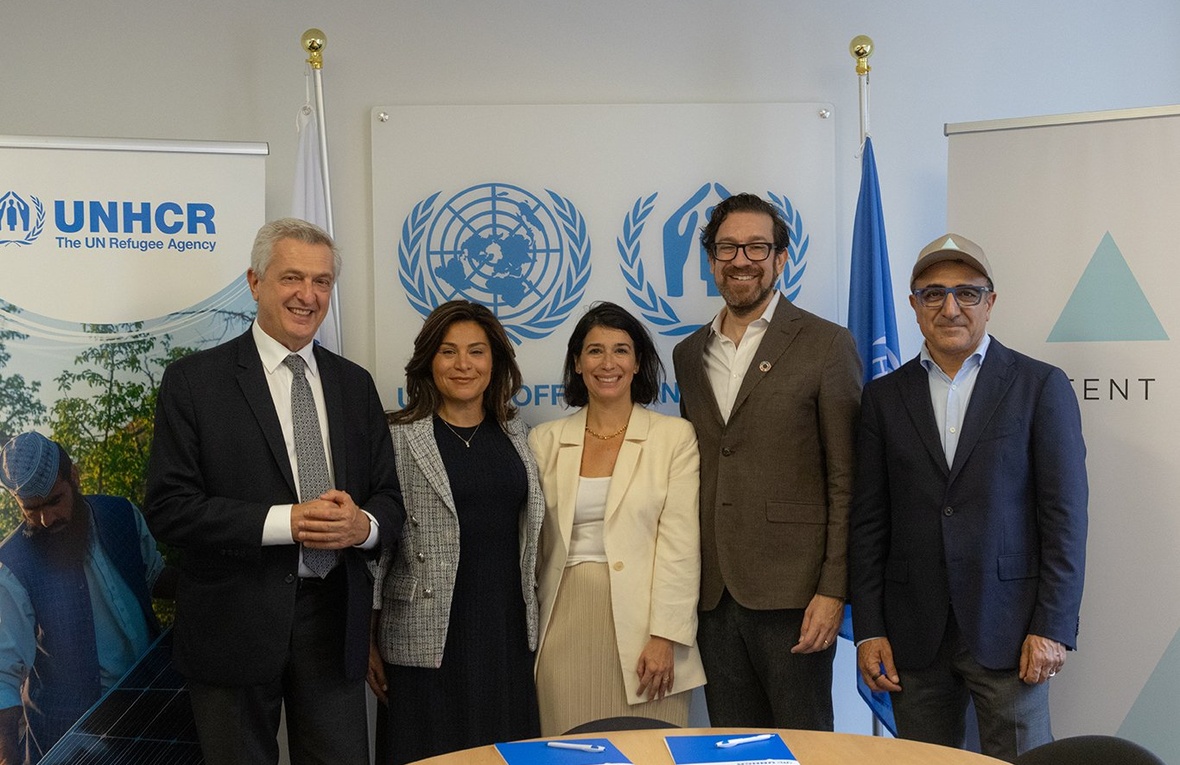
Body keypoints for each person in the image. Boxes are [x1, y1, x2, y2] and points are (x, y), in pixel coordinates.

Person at [144, 218, 403, 765]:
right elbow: (169, 510)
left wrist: (365, 528)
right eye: (292, 278)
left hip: (333, 626)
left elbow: (388, 498)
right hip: (231, 625)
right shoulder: (193, 383)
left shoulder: (355, 385)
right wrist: (288, 523)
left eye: (323, 282)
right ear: (255, 282)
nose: (308, 296)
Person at [849, 233, 1088, 762]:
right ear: (913, 306)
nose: (950, 307)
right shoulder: (884, 398)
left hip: (1011, 628)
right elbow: (868, 522)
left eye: (967, 293)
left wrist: (1051, 626)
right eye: (933, 294)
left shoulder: (1039, 386)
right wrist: (869, 630)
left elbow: (1065, 518)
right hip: (912, 631)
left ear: (991, 302)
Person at [672, 193, 862, 730]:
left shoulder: (827, 344)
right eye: (728, 247)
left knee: (803, 749)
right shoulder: (689, 354)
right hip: (713, 594)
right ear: (712, 260)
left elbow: (847, 478)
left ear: (781, 258)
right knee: (733, 748)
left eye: (757, 246)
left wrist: (832, 590)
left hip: (796, 595)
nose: (741, 259)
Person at [368, 300, 542, 763]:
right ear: (429, 361)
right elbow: (377, 546)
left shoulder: (518, 434)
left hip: (506, 632)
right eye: (448, 352)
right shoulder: (398, 436)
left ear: (495, 361)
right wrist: (367, 630)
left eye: (476, 352)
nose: (463, 364)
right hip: (425, 637)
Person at [528, 302, 705, 736]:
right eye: (594, 351)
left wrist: (666, 637)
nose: (608, 364)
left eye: (621, 350)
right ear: (576, 362)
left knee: (650, 754)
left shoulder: (673, 438)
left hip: (649, 633)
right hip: (562, 626)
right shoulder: (544, 440)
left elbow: (680, 547)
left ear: (638, 362)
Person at [0, 432, 169, 764]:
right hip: (75, 737)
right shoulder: (11, 565)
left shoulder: (121, 513)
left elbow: (155, 578)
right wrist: (7, 757)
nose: (47, 519)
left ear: (73, 477)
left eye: (55, 500)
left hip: (154, 702)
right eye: (31, 510)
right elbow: (3, 676)